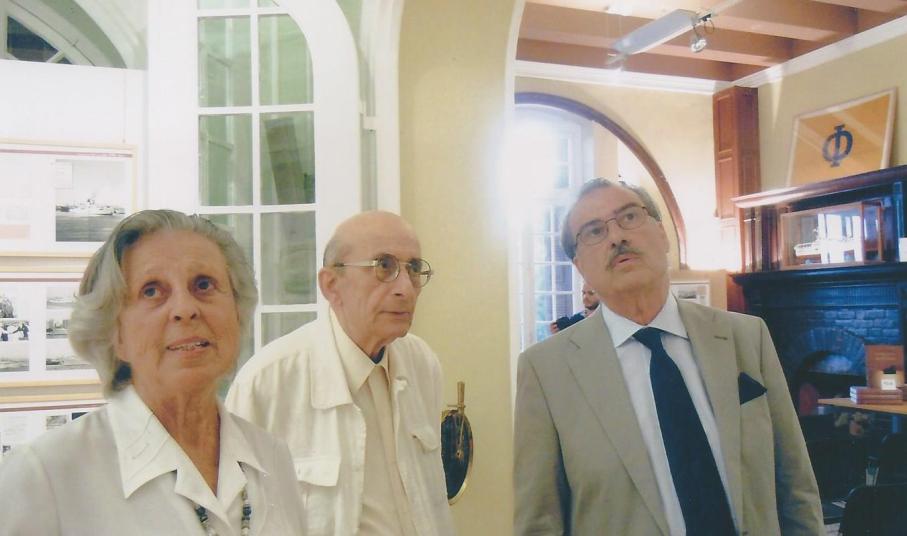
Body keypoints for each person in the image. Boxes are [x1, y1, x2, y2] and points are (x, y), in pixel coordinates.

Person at [513, 179, 823, 535]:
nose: (616, 237)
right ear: (579, 265)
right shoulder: (546, 371)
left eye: (629, 217)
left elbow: (796, 489)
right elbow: (539, 522)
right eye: (594, 231)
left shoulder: (746, 338)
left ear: (662, 234)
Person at [0, 209, 305, 535]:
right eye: (152, 291)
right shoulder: (44, 476)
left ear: (237, 311)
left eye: (203, 284)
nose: (185, 309)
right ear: (114, 333)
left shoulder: (271, 458)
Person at [226, 210, 454, 536]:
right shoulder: (267, 382)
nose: (405, 288)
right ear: (331, 285)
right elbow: (237, 520)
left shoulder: (423, 364)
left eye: (414, 269)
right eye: (384, 266)